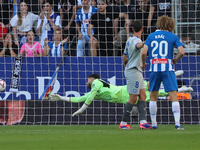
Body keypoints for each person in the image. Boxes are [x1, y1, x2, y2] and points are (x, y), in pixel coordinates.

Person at [142, 15, 185, 130]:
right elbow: (182, 52)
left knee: (153, 96)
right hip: (167, 69)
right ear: (171, 25)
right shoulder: (173, 36)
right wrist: (175, 59)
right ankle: (177, 124)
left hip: (154, 69)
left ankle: (154, 123)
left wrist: (143, 63)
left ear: (159, 24)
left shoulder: (151, 36)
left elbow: (143, 52)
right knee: (173, 96)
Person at [118, 20, 150, 129]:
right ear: (142, 29)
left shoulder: (129, 40)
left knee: (143, 95)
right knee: (133, 98)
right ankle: (123, 123)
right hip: (133, 71)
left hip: (135, 70)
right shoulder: (137, 40)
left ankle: (143, 122)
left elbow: (124, 56)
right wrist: (145, 43)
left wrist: (125, 66)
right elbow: (138, 46)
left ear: (132, 29)